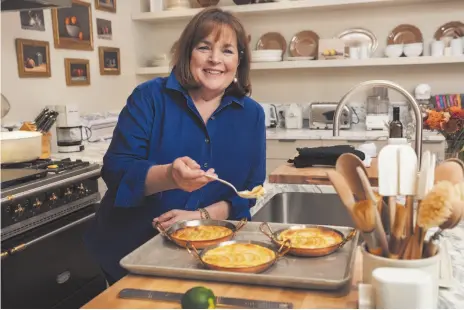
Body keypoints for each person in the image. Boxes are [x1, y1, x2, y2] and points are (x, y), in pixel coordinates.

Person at [84, 7, 266, 285]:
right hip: (133, 251)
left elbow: (250, 189)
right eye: (204, 47)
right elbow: (116, 171)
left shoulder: (252, 114)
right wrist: (170, 176)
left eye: (227, 51)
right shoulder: (149, 97)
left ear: (239, 60)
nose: (215, 59)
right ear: (187, 53)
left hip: (211, 254)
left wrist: (201, 218)